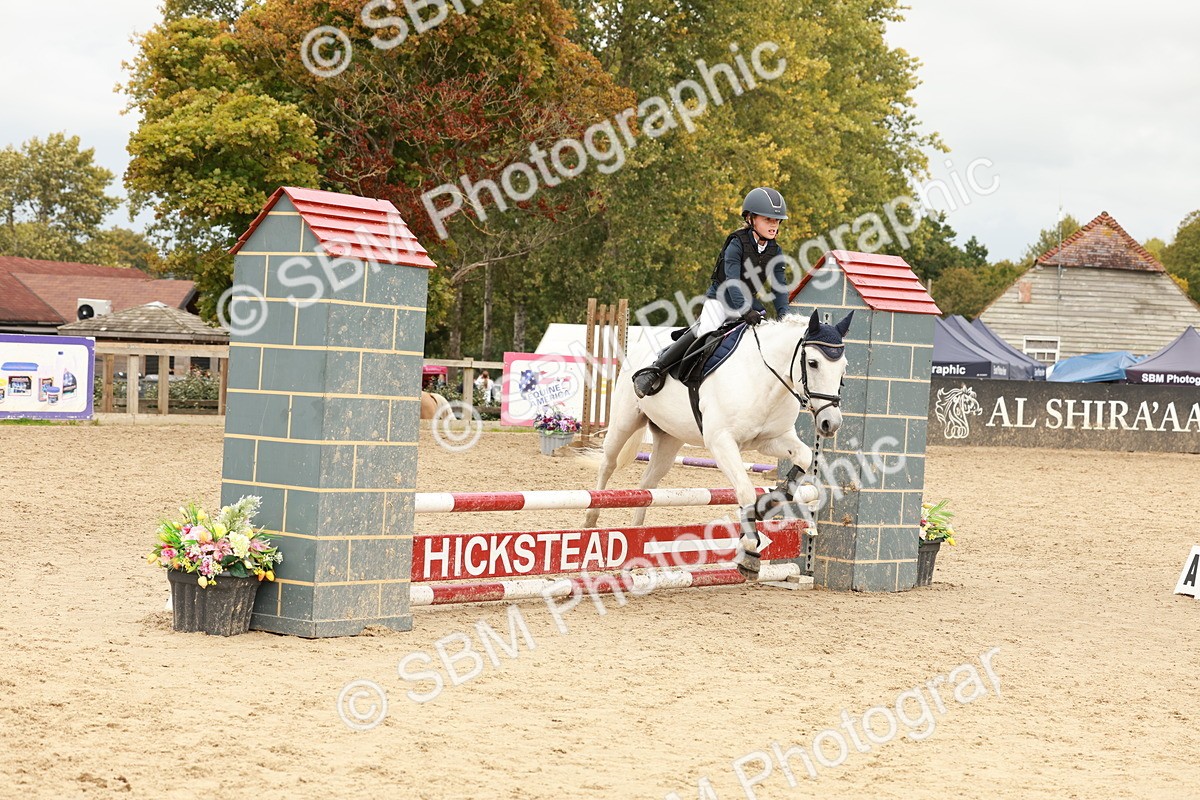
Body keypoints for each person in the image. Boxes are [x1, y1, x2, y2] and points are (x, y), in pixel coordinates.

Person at [632, 187, 795, 398]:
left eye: (777, 220)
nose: (774, 225)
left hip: (747, 305)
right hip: (720, 300)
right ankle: (654, 370)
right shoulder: (736, 244)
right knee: (706, 330)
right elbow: (732, 282)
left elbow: (780, 287)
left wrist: (785, 317)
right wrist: (745, 310)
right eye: (768, 219)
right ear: (750, 218)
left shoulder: (775, 250)